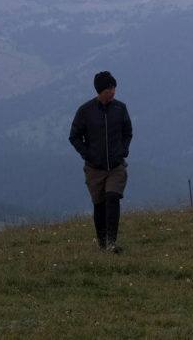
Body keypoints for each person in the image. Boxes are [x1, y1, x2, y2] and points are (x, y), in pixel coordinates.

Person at [69, 71, 133, 253]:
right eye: (109, 89)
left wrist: (124, 149)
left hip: (116, 165)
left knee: (113, 198)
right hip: (94, 168)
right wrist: (86, 154)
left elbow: (128, 132)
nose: (113, 92)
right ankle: (103, 244)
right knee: (99, 204)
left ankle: (112, 242)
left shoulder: (121, 108)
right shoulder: (85, 111)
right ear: (100, 90)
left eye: (114, 88)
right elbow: (74, 136)